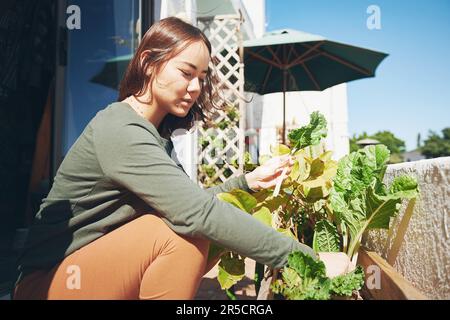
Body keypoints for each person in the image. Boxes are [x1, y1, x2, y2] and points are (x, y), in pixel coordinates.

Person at [13, 17, 351, 300]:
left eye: (202, 78)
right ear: (148, 63)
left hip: (86, 271)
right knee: (183, 236)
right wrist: (311, 261)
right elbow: (195, 215)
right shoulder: (120, 128)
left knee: (190, 228)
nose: (195, 88)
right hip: (45, 284)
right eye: (186, 72)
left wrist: (245, 183)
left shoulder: (153, 134)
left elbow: (185, 205)